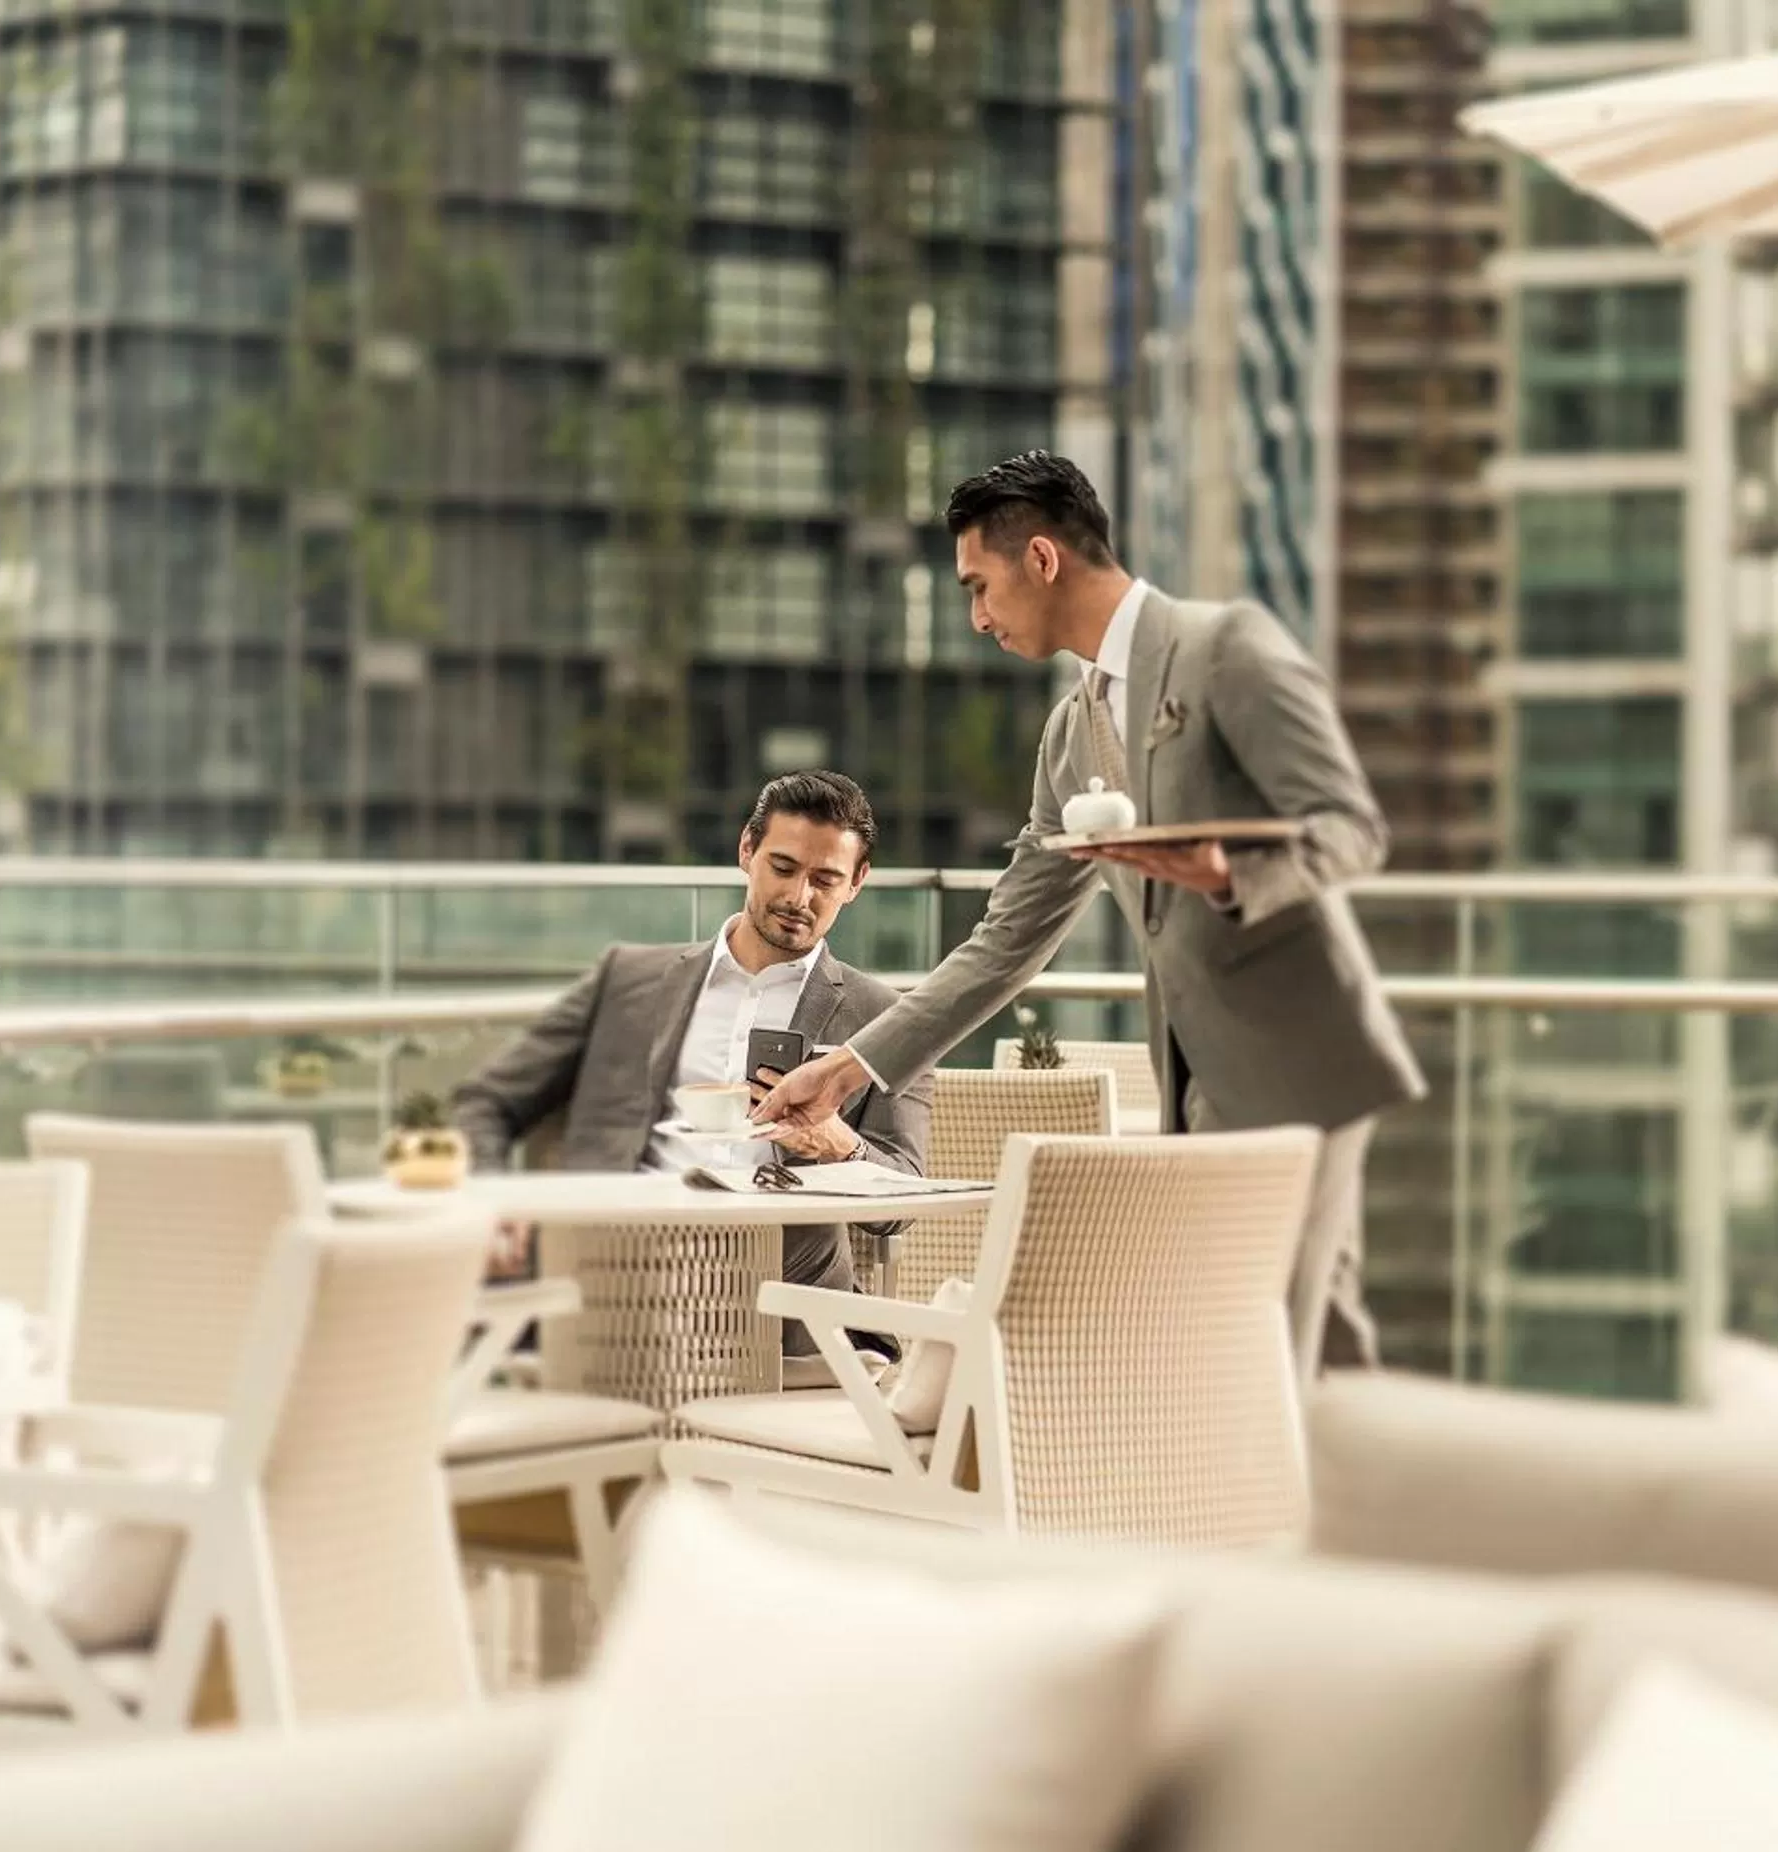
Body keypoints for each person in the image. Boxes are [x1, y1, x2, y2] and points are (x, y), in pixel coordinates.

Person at [754, 452, 1424, 1371]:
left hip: (1297, 1063)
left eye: (978, 587)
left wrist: (1227, 875)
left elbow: (1352, 830)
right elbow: (1006, 942)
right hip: (1197, 1084)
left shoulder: (1224, 646)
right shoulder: (1071, 736)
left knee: (1271, 1346)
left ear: (1040, 559)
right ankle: (1364, 1509)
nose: (977, 617)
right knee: (1308, 1345)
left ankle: (1277, 1515)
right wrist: (850, 1068)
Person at [451, 772, 932, 1342]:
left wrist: (835, 1143)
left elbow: (901, 1201)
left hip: (779, 1302)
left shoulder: (889, 1019)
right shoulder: (627, 979)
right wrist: (488, 1206)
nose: (799, 898)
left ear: (857, 882)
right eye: (783, 868)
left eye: (825, 879)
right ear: (746, 851)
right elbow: (486, 1102)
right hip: (609, 1277)